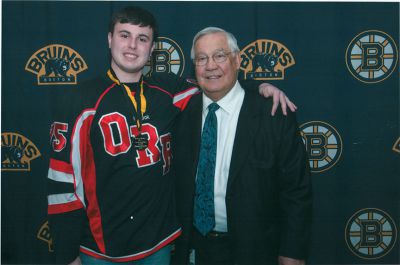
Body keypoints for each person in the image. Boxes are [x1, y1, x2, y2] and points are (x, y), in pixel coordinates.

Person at [47, 6, 295, 265]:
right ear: (110, 39)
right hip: (102, 250)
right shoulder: (79, 101)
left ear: (152, 48)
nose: (132, 45)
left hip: (161, 245)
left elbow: (217, 82)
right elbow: (62, 185)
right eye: (124, 35)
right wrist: (67, 255)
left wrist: (260, 87)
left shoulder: (170, 91)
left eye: (142, 38)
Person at [172, 27, 312, 265]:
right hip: (193, 249)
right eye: (202, 58)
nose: (210, 66)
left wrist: (293, 252)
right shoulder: (180, 112)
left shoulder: (273, 114)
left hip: (255, 250)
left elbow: (296, 191)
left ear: (237, 59)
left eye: (219, 56)